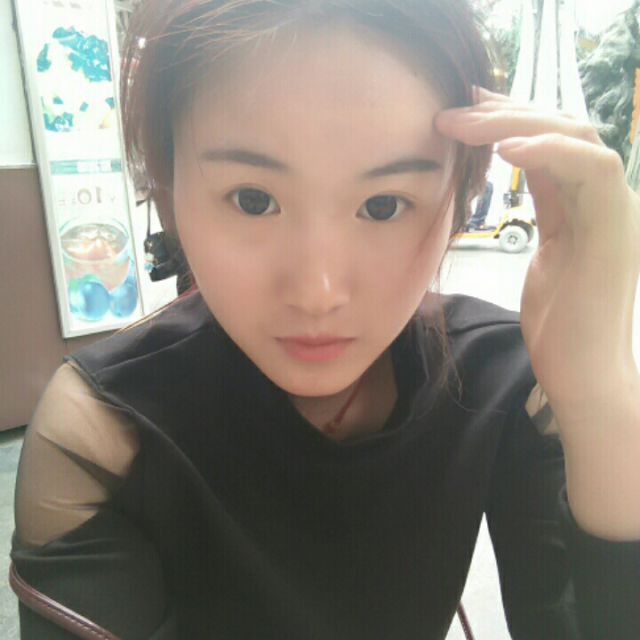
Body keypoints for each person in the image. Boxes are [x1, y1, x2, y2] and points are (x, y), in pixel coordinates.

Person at [9, 1, 640, 638]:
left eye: (384, 205)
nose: (318, 293)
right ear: (170, 197)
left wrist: (602, 398)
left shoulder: (504, 378)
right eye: (253, 199)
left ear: (459, 200)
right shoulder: (108, 433)